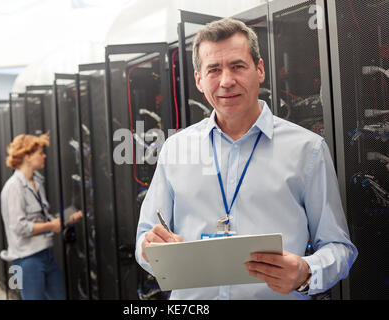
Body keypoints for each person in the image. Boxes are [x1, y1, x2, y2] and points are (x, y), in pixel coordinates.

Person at [135, 18, 358, 300]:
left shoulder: (307, 150)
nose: (227, 81)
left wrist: (306, 271)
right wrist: (150, 247)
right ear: (199, 81)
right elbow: (144, 239)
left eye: (238, 66)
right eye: (213, 70)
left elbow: (340, 248)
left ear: (260, 69)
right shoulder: (175, 149)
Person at [0, 133, 82, 300]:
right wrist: (51, 226)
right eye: (40, 152)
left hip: (45, 254)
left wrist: (65, 220)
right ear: (27, 156)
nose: (44, 156)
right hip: (26, 259)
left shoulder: (36, 183)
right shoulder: (14, 187)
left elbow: (41, 219)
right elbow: (19, 227)